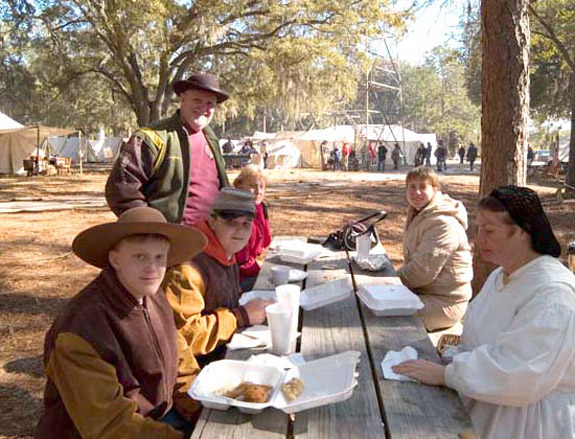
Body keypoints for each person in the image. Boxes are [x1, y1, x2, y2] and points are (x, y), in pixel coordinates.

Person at [394, 185, 575, 439]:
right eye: (479, 229)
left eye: (489, 230)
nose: (479, 239)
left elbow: (520, 374)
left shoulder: (552, 294)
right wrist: (450, 358)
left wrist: (446, 374)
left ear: (523, 233)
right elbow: (480, 340)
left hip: (527, 424)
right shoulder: (503, 275)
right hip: (485, 403)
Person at [35, 206, 208, 439]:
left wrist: (201, 411)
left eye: (160, 258)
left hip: (156, 419)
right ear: (115, 260)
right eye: (140, 257)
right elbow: (110, 426)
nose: (152, 268)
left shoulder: (153, 295)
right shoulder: (81, 328)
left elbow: (180, 359)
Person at [163, 188, 272, 368]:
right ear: (212, 220)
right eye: (230, 222)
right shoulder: (188, 268)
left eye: (246, 223)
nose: (240, 230)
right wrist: (241, 316)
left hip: (222, 353)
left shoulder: (226, 250)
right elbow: (184, 336)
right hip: (195, 371)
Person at [105, 73, 229, 226]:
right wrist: (152, 229)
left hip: (212, 241)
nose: (204, 108)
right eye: (197, 100)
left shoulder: (212, 141)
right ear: (182, 99)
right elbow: (121, 190)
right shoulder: (151, 138)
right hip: (169, 243)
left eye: (210, 103)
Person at [397, 167, 473, 331]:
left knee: (386, 319)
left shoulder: (442, 223)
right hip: (422, 292)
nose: (416, 192)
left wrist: (388, 283)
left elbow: (422, 271)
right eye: (412, 187)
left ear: (435, 189)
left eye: (423, 187)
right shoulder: (419, 213)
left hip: (444, 302)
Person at [233, 165, 272, 291]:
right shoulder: (236, 213)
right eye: (253, 186)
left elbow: (265, 241)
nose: (258, 191)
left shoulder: (260, 208)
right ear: (239, 185)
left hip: (251, 268)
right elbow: (240, 260)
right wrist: (261, 269)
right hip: (237, 277)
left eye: (261, 187)